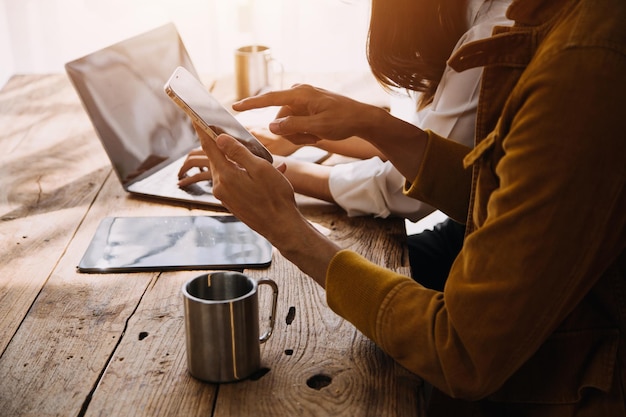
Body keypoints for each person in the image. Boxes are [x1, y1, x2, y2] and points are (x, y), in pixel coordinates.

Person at [191, 0, 626, 414]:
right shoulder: (565, 23)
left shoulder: (583, 60)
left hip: (556, 388)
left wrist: (287, 229)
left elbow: (463, 354)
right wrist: (373, 123)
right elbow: (508, 193)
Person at [179, 0, 512, 291]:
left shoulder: (493, 34)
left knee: (292, 282)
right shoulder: (471, 12)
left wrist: (277, 170)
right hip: (466, 229)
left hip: (482, 252)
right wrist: (302, 134)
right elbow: (428, 143)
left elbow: (408, 190)